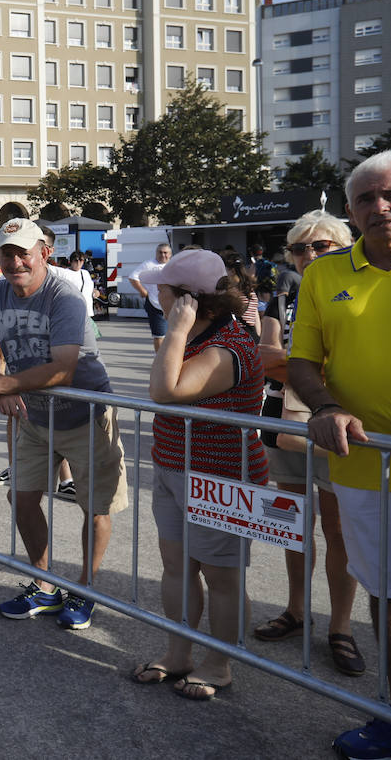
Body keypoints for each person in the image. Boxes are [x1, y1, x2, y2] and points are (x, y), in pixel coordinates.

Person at [288, 151, 391, 758]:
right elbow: (303, 361)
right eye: (365, 199)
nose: (379, 207)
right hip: (362, 468)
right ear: (350, 210)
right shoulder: (325, 274)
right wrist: (325, 407)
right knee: (388, 594)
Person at [0, 219, 126, 629]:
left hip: (85, 414)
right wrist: (3, 390)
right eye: (6, 253)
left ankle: (85, 589)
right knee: (21, 499)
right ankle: (45, 584)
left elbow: (64, 369)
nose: (15, 261)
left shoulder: (64, 295)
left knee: (95, 506)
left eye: (23, 253)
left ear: (43, 254)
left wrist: (2, 381)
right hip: (32, 416)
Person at [129, 249, 266, 701]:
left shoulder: (228, 346)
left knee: (221, 577)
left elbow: (164, 390)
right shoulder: (189, 336)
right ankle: (179, 653)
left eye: (163, 289)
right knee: (177, 568)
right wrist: (177, 334)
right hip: (174, 467)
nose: (156, 294)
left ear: (189, 301)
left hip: (220, 478)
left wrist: (176, 330)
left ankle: (218, 663)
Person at [252, 210, 363, 677]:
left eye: (321, 246)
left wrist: (298, 366)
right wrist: (300, 366)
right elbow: (265, 353)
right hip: (285, 424)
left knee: (340, 532)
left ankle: (341, 627)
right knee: (292, 522)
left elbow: (354, 363)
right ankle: (297, 610)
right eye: (300, 248)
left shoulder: (359, 293)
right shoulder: (283, 297)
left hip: (337, 427)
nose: (309, 255)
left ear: (344, 246)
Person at [129, 243, 173, 350]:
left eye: (165, 253)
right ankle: (160, 361)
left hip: (172, 305)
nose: (163, 255)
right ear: (156, 253)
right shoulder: (148, 264)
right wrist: (143, 290)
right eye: (160, 252)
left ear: (170, 254)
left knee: (173, 335)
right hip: (155, 305)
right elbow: (133, 277)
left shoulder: (173, 265)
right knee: (159, 336)